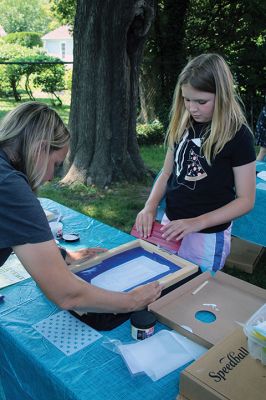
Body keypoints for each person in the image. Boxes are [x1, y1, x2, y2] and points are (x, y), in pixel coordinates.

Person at [0, 101, 162, 313]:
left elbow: (14, 229)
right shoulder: (10, 187)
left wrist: (62, 256)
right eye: (56, 164)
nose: (50, 178)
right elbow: (67, 295)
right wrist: (131, 300)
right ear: (39, 148)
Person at [136, 53, 256, 272]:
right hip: (171, 225)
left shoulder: (238, 136)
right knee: (164, 279)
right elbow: (166, 173)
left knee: (196, 289)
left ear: (223, 96)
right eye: (186, 99)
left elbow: (246, 200)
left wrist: (197, 222)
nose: (192, 108)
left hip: (207, 235)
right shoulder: (182, 124)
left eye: (201, 101)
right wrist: (150, 206)